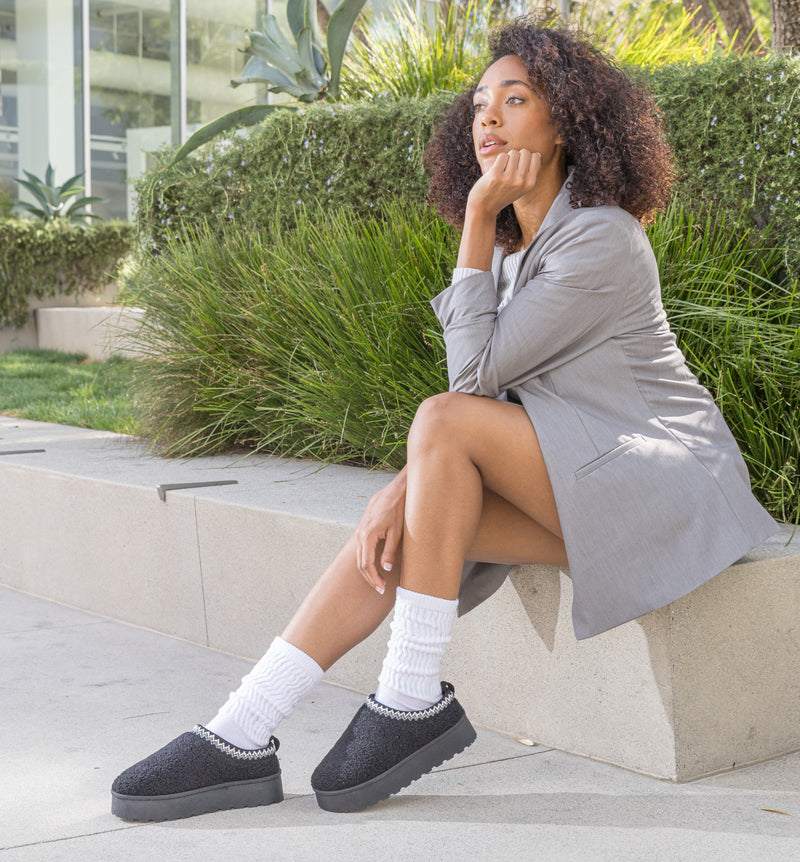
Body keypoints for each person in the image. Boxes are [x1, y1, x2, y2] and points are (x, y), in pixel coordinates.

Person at [110, 18, 777, 821]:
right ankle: (241, 730)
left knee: (438, 425)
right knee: (392, 540)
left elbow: (469, 386)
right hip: (595, 485)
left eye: (515, 99)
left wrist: (472, 217)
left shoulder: (601, 236)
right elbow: (483, 405)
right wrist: (402, 490)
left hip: (668, 486)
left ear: (564, 121)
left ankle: (409, 696)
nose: (487, 119)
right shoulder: (516, 252)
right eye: (478, 107)